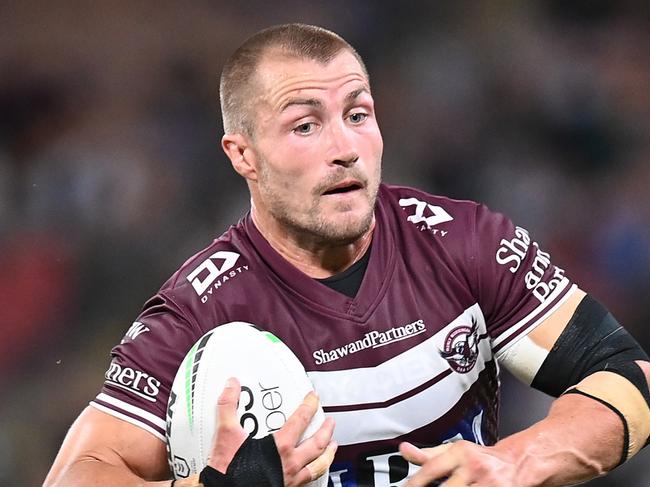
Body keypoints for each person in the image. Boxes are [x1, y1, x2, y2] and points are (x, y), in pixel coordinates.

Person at [45, 23, 650, 487]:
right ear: (243, 155)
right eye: (305, 126)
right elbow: (77, 472)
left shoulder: (461, 242)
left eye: (358, 115)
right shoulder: (200, 313)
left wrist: (515, 462)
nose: (345, 148)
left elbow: (629, 376)